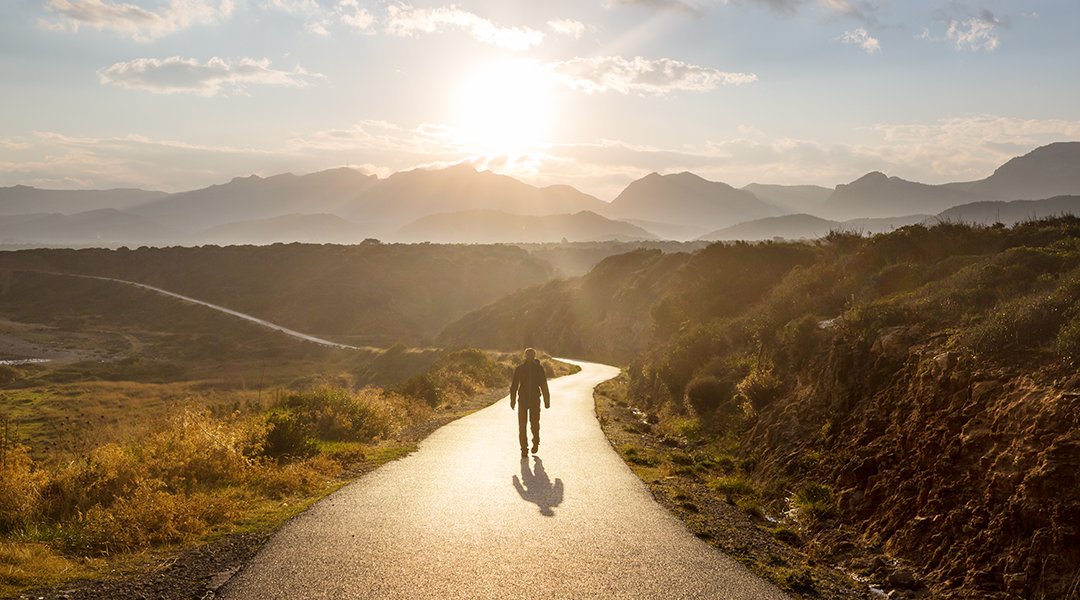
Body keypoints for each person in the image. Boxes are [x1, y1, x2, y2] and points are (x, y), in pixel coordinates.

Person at [509, 348, 550, 458]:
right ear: (525, 356)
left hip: (535, 400)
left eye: (532, 355)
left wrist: (547, 400)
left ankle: (536, 441)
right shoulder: (520, 369)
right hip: (522, 400)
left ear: (535, 356)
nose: (530, 357)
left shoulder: (539, 369)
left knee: (534, 423)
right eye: (528, 355)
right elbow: (514, 385)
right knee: (522, 425)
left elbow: (544, 385)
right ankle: (524, 449)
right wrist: (512, 400)